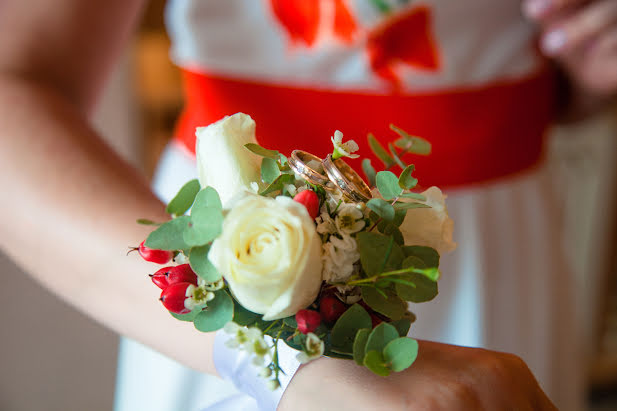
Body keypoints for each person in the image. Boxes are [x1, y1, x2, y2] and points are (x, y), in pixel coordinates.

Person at [0, 0, 614, 410]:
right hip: (236, 264)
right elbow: (12, 86)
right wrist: (277, 360)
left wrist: (588, 57)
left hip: (495, 257)